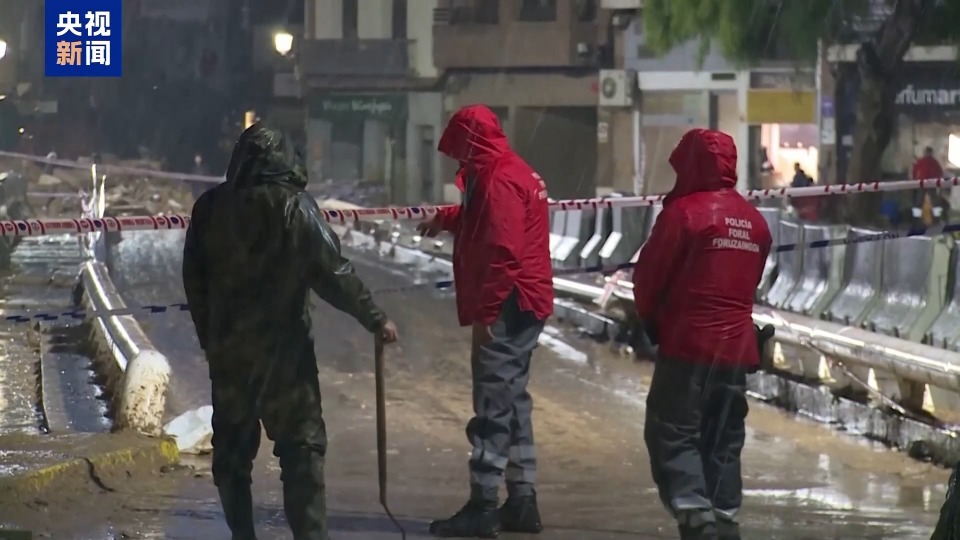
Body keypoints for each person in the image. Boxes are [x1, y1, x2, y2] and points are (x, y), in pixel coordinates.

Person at [182, 123, 399, 540]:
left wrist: (212, 337)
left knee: (232, 457)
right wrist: (374, 317)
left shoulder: (209, 208)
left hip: (231, 357)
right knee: (301, 451)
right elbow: (333, 273)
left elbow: (195, 280)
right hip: (286, 358)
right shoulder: (296, 208)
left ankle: (242, 535)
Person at [417, 104, 554, 538]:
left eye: (460, 149)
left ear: (472, 141)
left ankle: (483, 505)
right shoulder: (508, 171)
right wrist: (446, 219)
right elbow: (486, 222)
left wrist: (490, 311)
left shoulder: (497, 180)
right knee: (512, 402)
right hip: (525, 300)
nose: (457, 160)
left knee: (493, 405)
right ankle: (522, 500)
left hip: (509, 303)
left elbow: (502, 249)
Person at [632, 128, 774, 540]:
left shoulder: (684, 214)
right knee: (723, 440)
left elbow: (648, 279)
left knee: (671, 430)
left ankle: (696, 518)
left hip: (688, 348)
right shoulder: (756, 223)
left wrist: (652, 322)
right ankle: (725, 519)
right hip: (736, 352)